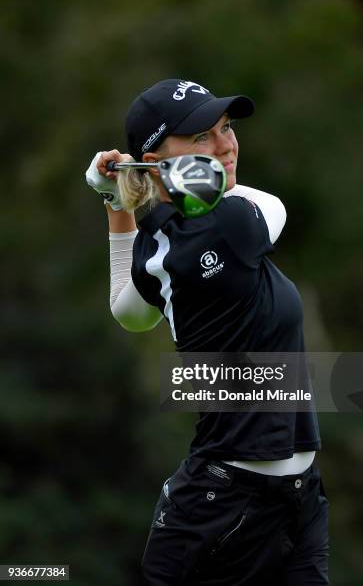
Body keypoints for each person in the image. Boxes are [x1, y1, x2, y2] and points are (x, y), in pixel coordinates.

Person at [86, 79, 330, 585]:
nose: (226, 145)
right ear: (158, 157)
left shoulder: (161, 242)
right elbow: (269, 205)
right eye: (201, 138)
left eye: (226, 128)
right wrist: (147, 184)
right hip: (223, 513)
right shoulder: (233, 221)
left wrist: (117, 200)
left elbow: (129, 309)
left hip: (294, 502)